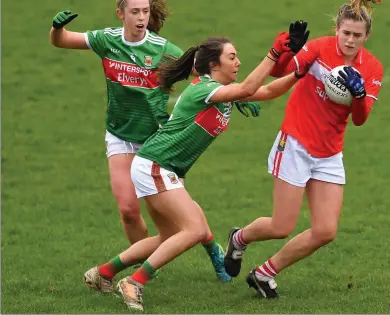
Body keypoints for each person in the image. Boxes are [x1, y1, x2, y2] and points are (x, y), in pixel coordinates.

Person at [83, 23, 310, 311]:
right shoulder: (204, 88)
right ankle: (135, 282)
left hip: (158, 166)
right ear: (214, 64)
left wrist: (299, 72)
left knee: (167, 237)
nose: (238, 62)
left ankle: (102, 273)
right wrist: (275, 52)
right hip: (156, 165)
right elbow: (250, 87)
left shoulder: (221, 90)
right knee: (193, 229)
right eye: (232, 57)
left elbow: (265, 92)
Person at [49, 0, 255, 281]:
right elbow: (62, 41)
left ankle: (211, 249)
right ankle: (144, 265)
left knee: (180, 214)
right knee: (129, 211)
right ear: (121, 14)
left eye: (145, 11)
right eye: (135, 12)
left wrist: (239, 96)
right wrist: (56, 28)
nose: (141, 17)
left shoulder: (162, 49)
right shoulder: (107, 40)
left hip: (157, 140)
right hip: (120, 135)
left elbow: (207, 76)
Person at [223, 0, 388, 298]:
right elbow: (284, 72)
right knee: (281, 226)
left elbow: (360, 120)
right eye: (345, 33)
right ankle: (239, 238)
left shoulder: (372, 69)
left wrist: (357, 96)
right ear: (336, 30)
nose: (350, 40)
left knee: (326, 230)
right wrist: (288, 49)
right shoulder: (318, 49)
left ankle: (265, 273)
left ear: (366, 36)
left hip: (329, 152)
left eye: (357, 35)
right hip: (296, 143)